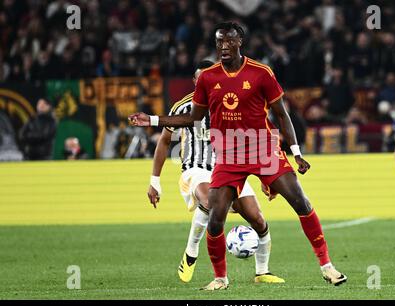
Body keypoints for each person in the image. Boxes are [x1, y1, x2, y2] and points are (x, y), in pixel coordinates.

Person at [129, 21, 347, 291]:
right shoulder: (208, 78)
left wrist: (296, 152)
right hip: (229, 154)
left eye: (229, 41)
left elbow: (282, 114)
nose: (223, 46)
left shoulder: (261, 73)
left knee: (300, 201)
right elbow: (192, 118)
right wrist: (151, 119)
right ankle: (220, 278)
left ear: (239, 42)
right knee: (216, 216)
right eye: (219, 42)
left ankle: (327, 266)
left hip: (262, 148)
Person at [150, 60, 284, 284]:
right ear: (196, 82)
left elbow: (255, 137)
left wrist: (265, 177)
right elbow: (164, 142)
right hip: (195, 170)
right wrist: (154, 180)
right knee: (211, 200)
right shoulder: (183, 108)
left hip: (230, 168)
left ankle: (262, 272)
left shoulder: (233, 104)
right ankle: (191, 252)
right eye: (202, 78)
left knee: (258, 219)